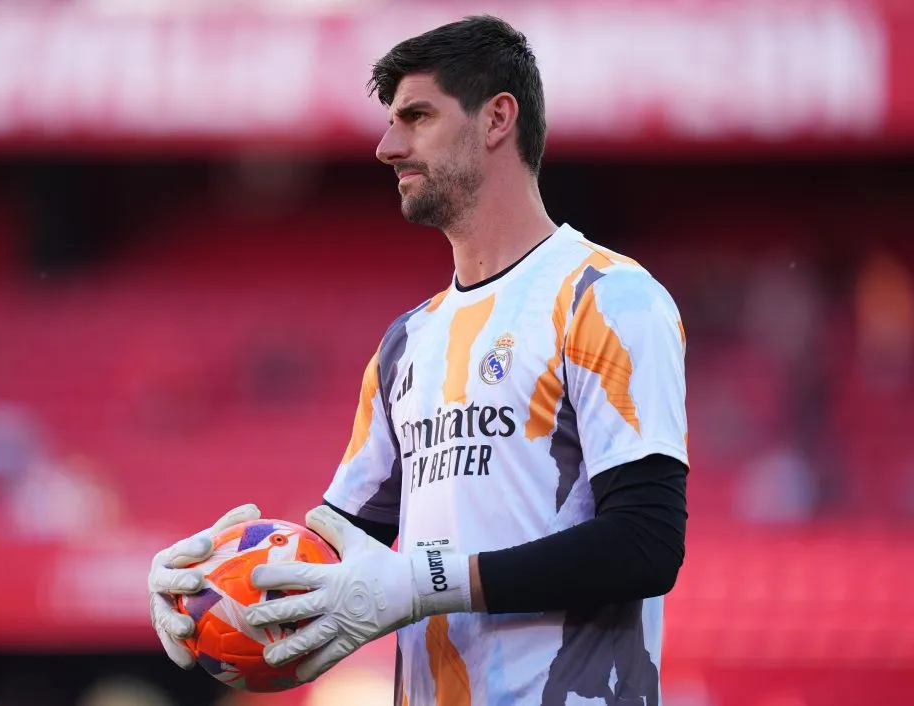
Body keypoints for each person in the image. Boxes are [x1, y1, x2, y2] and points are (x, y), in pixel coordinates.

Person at [148, 15, 688, 706]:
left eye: (417, 116)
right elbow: (345, 559)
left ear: (497, 119)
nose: (385, 145)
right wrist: (208, 588)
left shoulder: (607, 296)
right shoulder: (407, 343)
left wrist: (422, 582)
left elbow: (645, 543)